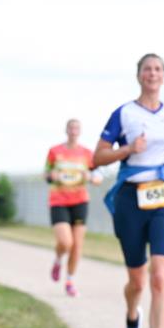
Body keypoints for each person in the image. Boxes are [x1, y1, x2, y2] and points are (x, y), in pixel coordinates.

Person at [94, 53, 164, 328]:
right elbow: (97, 157)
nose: (152, 74)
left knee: (160, 277)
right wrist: (128, 149)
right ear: (139, 76)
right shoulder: (124, 113)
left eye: (158, 69)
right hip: (131, 199)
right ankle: (132, 316)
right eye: (147, 69)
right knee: (137, 280)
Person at [47, 119, 101, 297]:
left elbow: (97, 175)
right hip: (59, 200)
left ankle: (69, 280)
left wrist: (92, 178)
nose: (73, 131)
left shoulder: (87, 153)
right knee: (65, 242)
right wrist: (51, 175)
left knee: (77, 245)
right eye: (71, 128)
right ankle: (57, 260)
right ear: (66, 130)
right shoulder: (55, 151)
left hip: (79, 200)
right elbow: (46, 174)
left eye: (77, 128)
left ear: (80, 131)